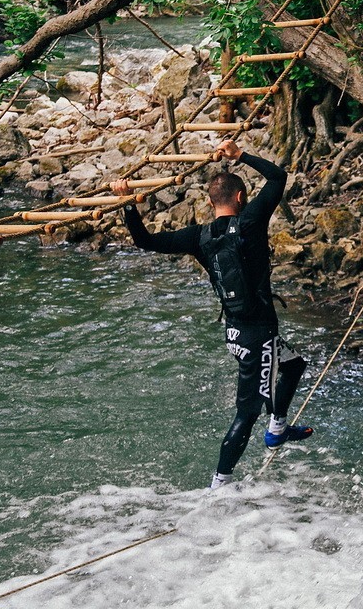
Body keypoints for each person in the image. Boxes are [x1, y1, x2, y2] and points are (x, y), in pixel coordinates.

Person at [111, 139, 312, 490]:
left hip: (236, 333)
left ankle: (277, 429)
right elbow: (278, 178)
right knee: (247, 412)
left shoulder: (197, 237)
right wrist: (241, 155)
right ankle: (220, 484)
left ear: (208, 201)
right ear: (240, 198)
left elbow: (144, 241)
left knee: (294, 365)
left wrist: (127, 203)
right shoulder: (250, 222)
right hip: (257, 336)